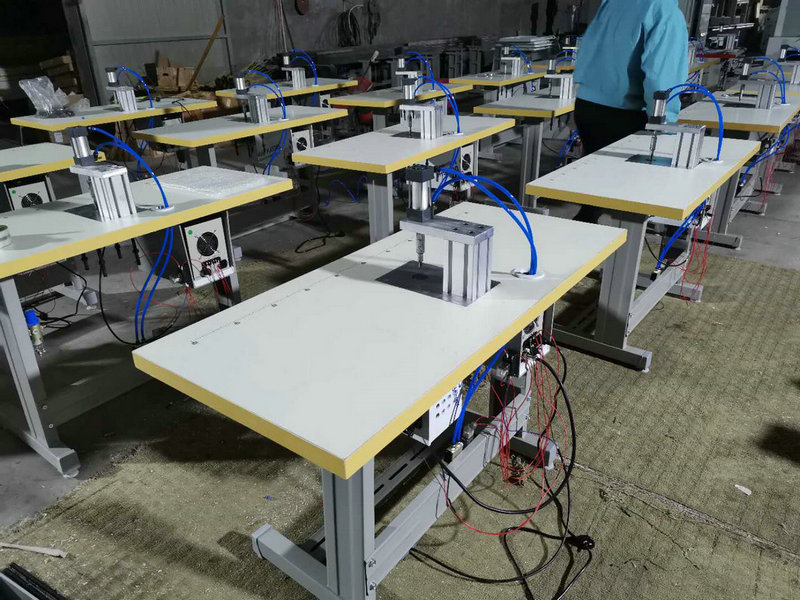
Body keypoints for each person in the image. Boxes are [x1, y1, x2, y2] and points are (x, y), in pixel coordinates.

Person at [572, 0, 689, 222]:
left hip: (588, 106)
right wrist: (665, 125)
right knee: (626, 196)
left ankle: (585, 225)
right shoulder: (663, 8)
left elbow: (589, 50)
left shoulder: (614, 3)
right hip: (624, 113)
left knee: (596, 187)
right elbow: (662, 76)